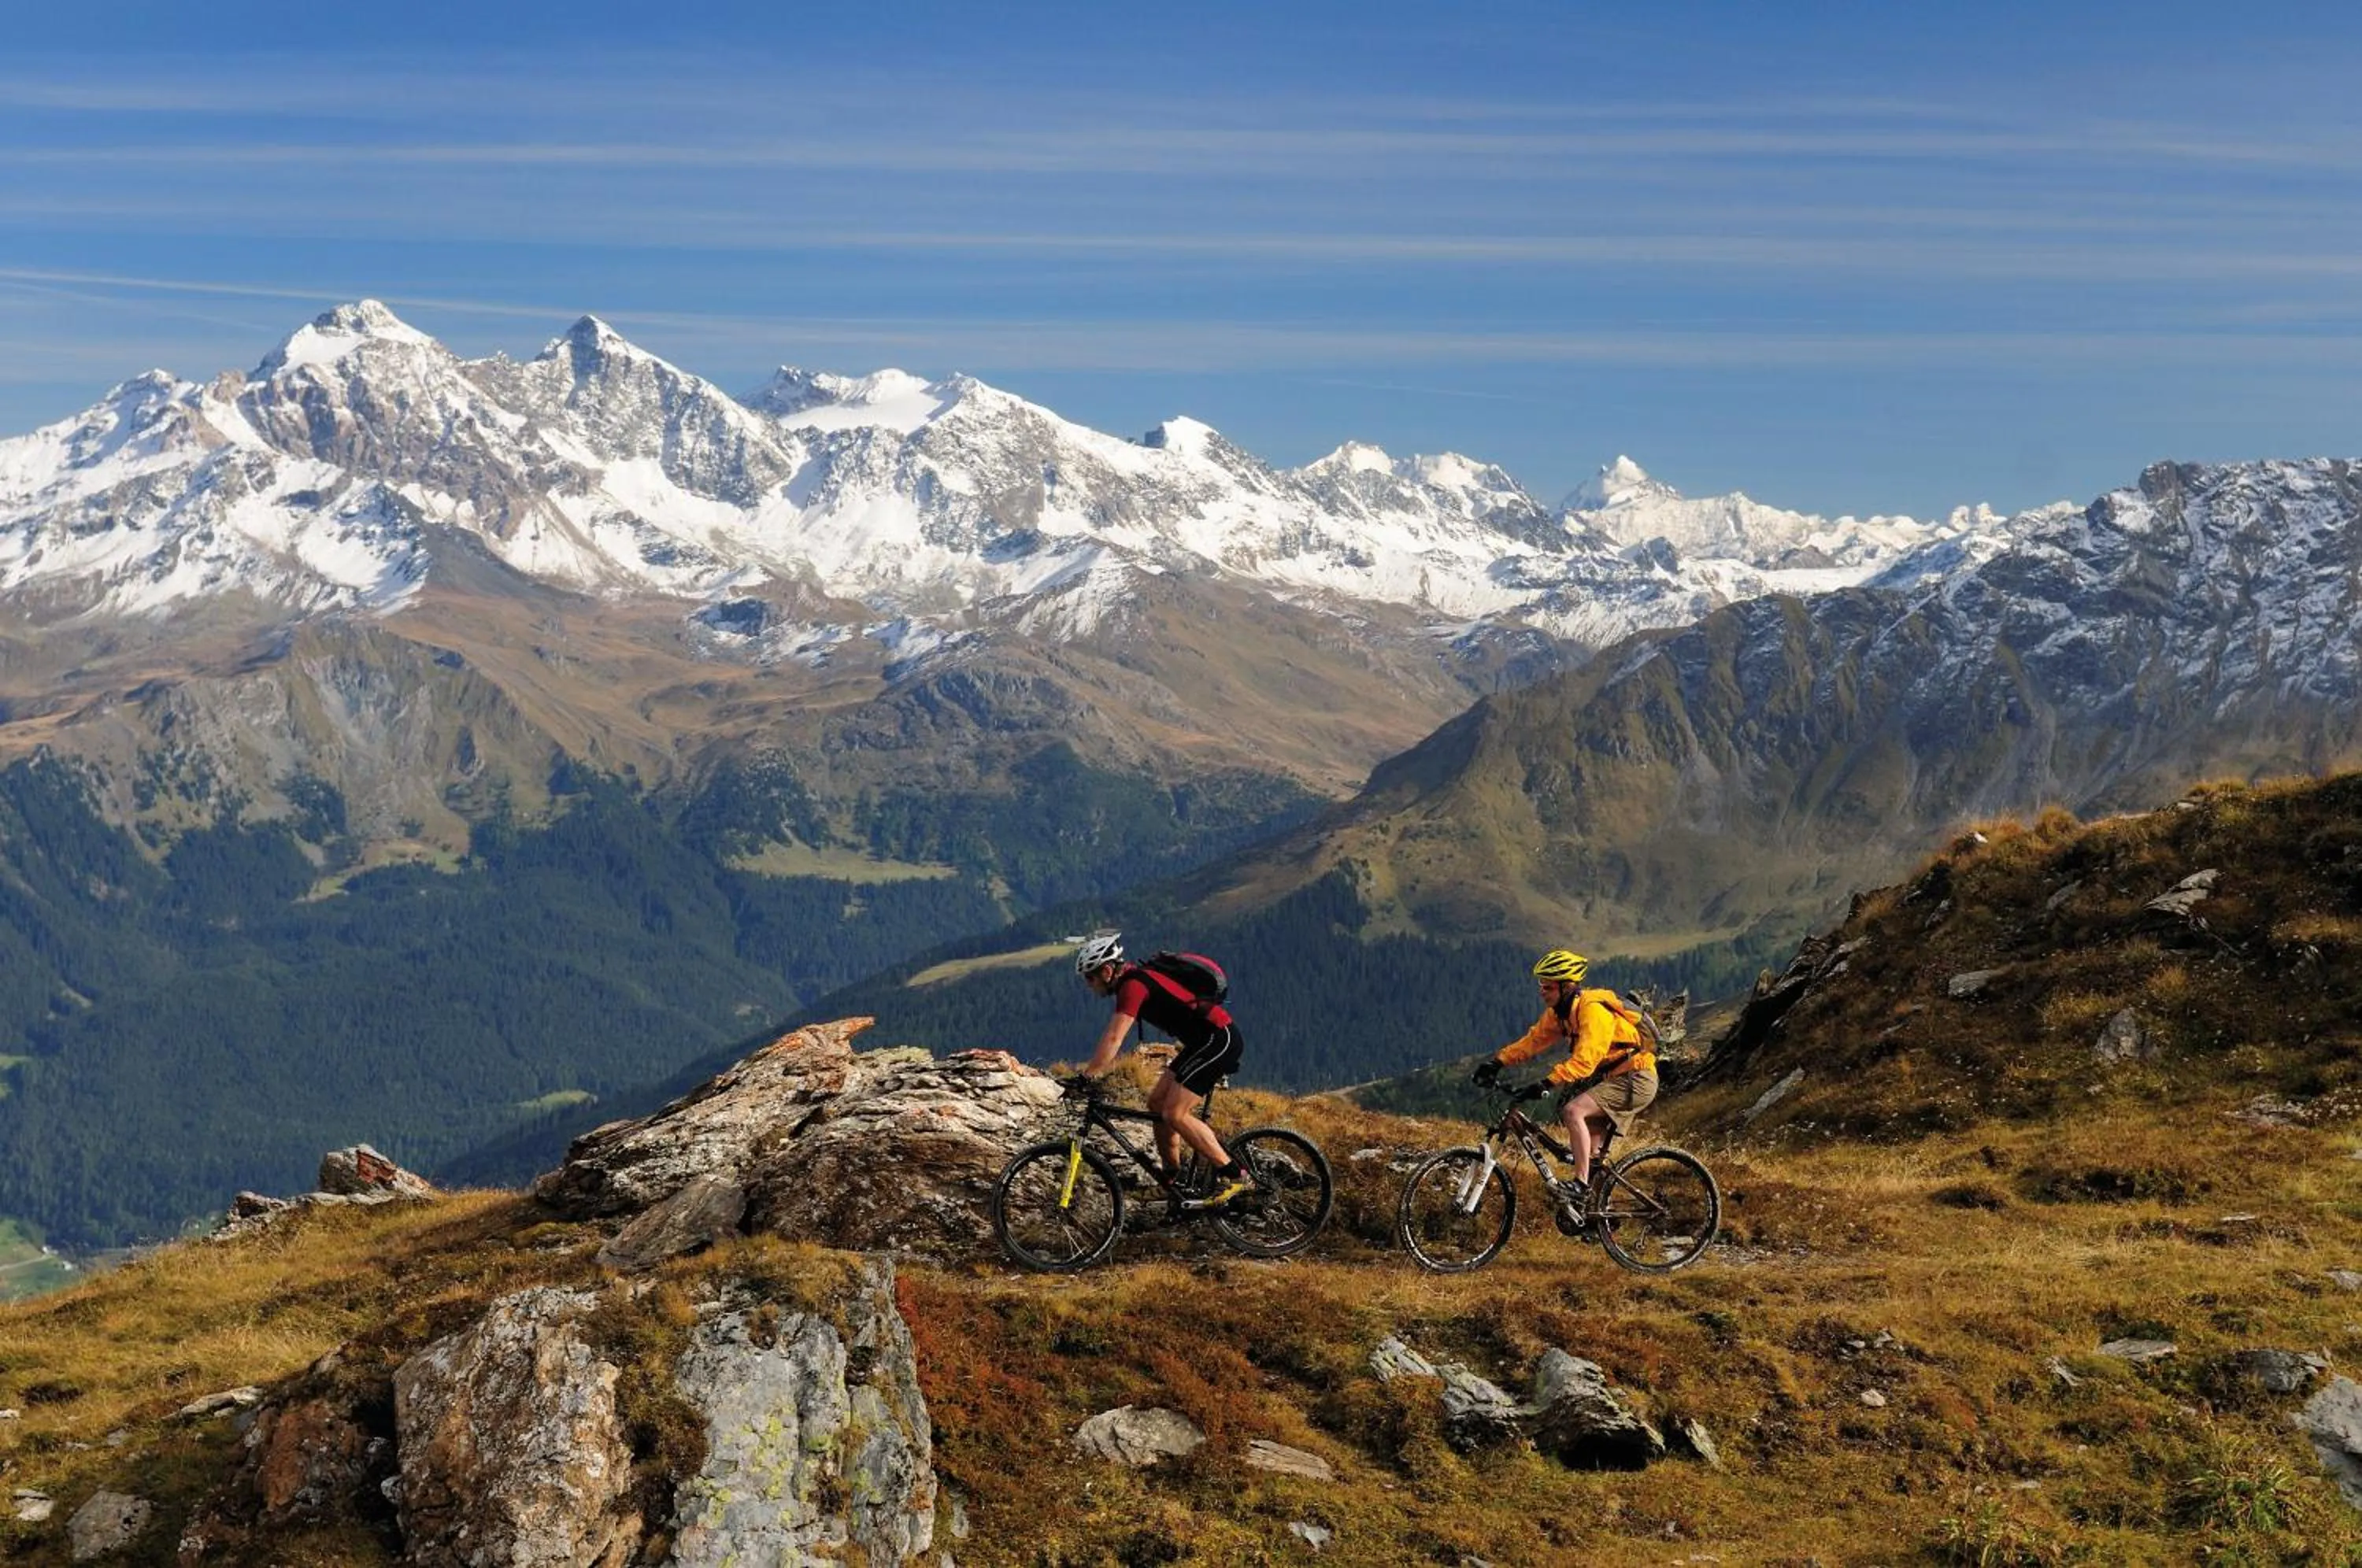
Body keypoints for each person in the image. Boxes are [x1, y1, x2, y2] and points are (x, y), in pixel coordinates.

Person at [1069, 929, 1254, 1207]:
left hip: (1219, 1039)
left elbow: (1114, 1037)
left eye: (1090, 976)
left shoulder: (1133, 986)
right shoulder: (1132, 982)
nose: (1088, 984)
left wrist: (1088, 1075)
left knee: (1174, 1113)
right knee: (1156, 1103)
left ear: (1107, 971)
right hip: (1202, 1042)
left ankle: (1236, 1175)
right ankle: (1173, 1180)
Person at [1471, 949, 1657, 1201]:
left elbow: (1586, 1060)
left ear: (1567, 987)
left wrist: (1547, 1082)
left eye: (1548, 987)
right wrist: (1497, 1063)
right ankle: (1598, 1218)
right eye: (1541, 986)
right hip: (1617, 1079)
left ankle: (1580, 1186)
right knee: (1592, 1157)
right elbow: (1533, 1041)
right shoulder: (1560, 1013)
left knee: (1573, 1111)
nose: (1542, 992)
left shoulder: (1593, 1010)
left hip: (1636, 1079)